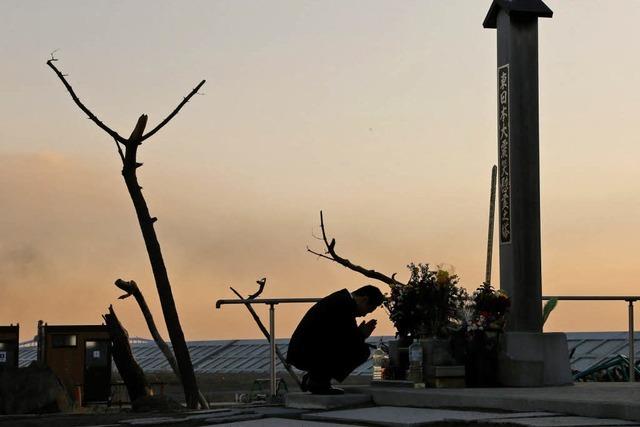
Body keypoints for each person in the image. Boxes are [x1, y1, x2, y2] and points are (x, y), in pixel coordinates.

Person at [286, 284, 385, 394]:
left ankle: (315, 377)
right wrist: (361, 334)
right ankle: (318, 381)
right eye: (368, 309)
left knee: (358, 348)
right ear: (364, 299)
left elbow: (339, 336)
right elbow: (344, 342)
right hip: (305, 353)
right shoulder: (344, 306)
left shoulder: (341, 301)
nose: (364, 314)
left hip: (303, 350)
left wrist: (359, 334)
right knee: (361, 351)